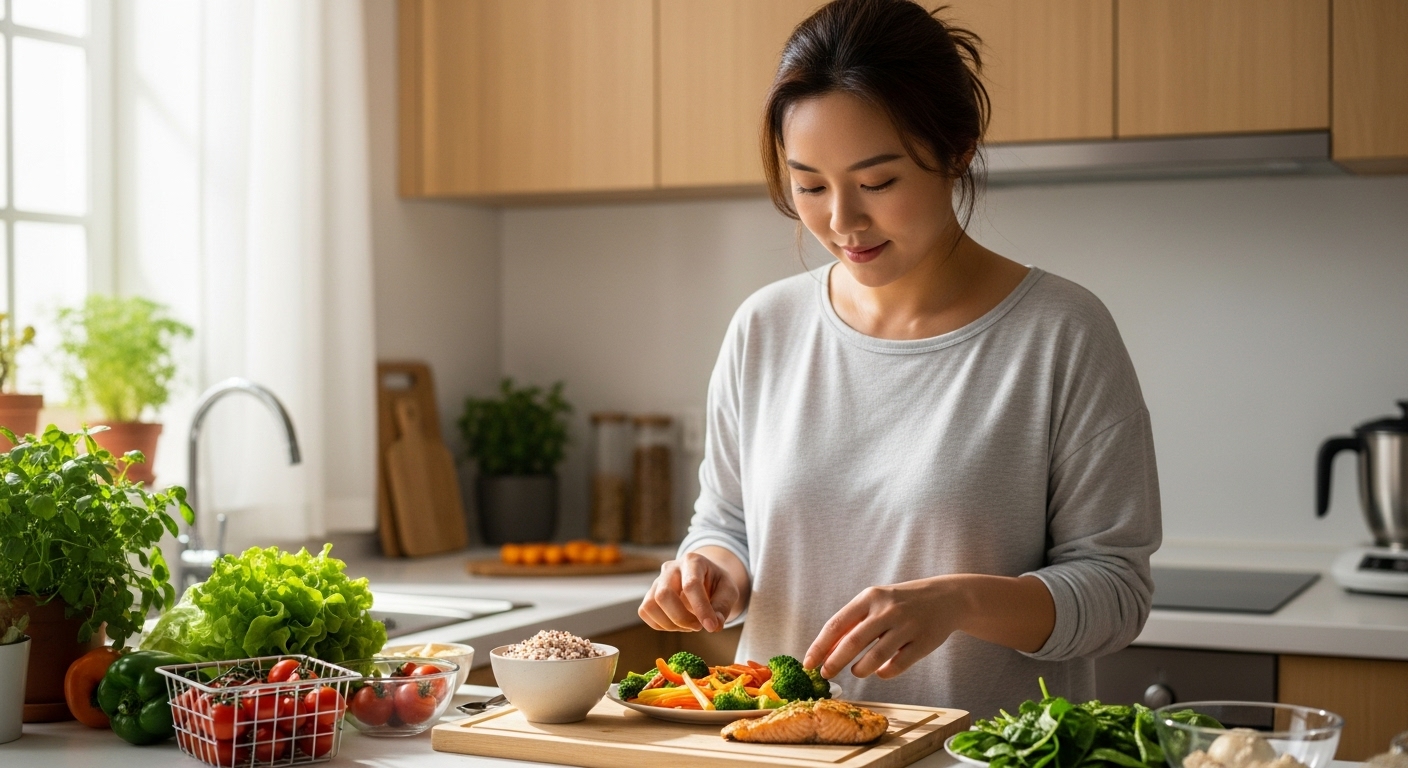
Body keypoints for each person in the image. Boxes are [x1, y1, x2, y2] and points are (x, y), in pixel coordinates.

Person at [638, 0, 1161, 718]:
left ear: (957, 150)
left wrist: (961, 601)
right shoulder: (764, 326)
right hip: (785, 752)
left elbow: (1116, 593)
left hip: (976, 757)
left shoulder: (1061, 333)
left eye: (878, 183)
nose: (842, 221)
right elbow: (727, 523)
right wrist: (711, 572)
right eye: (810, 185)